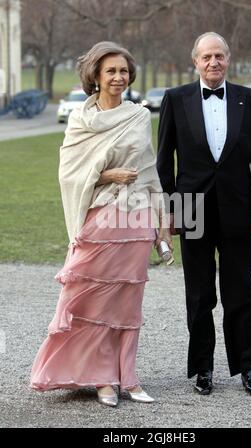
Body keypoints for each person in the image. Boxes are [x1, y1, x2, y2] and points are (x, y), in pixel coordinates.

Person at [30, 41, 172, 407]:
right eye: (110, 70)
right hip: (100, 219)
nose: (118, 77)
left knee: (128, 305)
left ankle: (128, 376)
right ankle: (100, 377)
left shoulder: (139, 116)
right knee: (87, 302)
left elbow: (150, 173)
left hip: (136, 220)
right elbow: (69, 173)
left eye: (123, 70)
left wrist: (163, 222)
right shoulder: (81, 119)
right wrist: (107, 173)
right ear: (95, 75)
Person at [157, 32, 251, 396]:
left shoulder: (248, 99)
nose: (213, 63)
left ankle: (248, 368)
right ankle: (203, 369)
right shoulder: (175, 99)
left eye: (219, 56)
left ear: (228, 58)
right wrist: (171, 210)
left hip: (240, 210)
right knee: (200, 294)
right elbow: (164, 164)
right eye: (206, 57)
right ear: (195, 61)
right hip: (191, 209)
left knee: (242, 293)